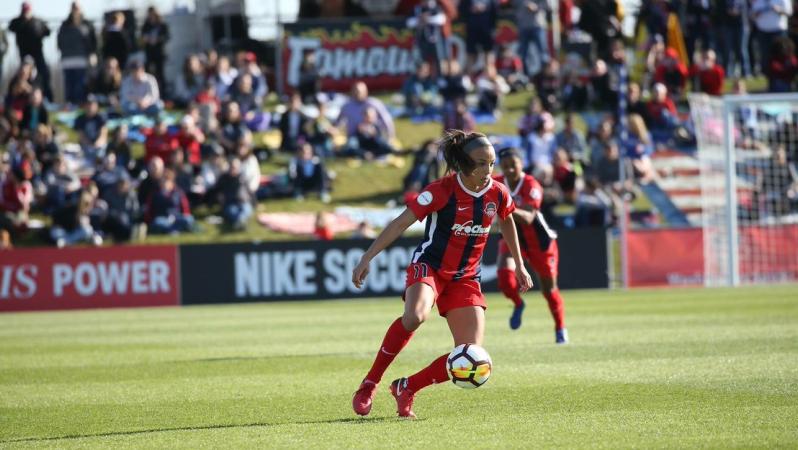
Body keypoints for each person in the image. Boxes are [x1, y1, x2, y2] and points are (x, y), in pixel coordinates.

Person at [351, 130, 533, 419]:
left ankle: (407, 387)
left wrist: (520, 265)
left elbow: (508, 221)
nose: (489, 170)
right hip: (431, 267)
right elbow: (399, 224)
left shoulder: (497, 192)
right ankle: (369, 383)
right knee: (415, 316)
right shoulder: (440, 190)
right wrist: (367, 257)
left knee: (471, 353)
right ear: (464, 163)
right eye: (482, 163)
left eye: (491, 163)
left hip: (466, 277)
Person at [493, 147, 568, 342]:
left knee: (548, 290)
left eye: (513, 164)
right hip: (511, 238)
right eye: (505, 166)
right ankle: (518, 303)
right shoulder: (496, 182)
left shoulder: (531, 184)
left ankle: (560, 328)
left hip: (539, 242)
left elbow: (528, 218)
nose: (509, 169)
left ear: (522, 163)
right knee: (504, 279)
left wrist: (503, 206)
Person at [9, 2, 52, 100]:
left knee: (44, 75)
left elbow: (47, 32)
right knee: (24, 76)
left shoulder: (38, 22)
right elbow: (11, 27)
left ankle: (46, 98)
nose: (26, 13)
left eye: (27, 10)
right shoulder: (18, 22)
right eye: (25, 10)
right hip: (24, 55)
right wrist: (24, 21)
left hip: (37, 54)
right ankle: (24, 98)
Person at [57, 2, 97, 106]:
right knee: (69, 85)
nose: (75, 10)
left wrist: (92, 54)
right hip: (67, 60)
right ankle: (69, 105)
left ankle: (80, 104)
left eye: (77, 8)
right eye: (74, 8)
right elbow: (59, 41)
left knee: (80, 85)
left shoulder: (87, 24)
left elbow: (93, 41)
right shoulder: (65, 24)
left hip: (82, 60)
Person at [141, 7, 170, 93]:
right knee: (148, 73)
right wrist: (146, 39)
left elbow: (167, 37)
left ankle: (163, 92)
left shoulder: (162, 25)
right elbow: (142, 36)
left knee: (160, 73)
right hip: (149, 53)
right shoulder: (146, 25)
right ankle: (148, 91)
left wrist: (157, 39)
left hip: (159, 53)